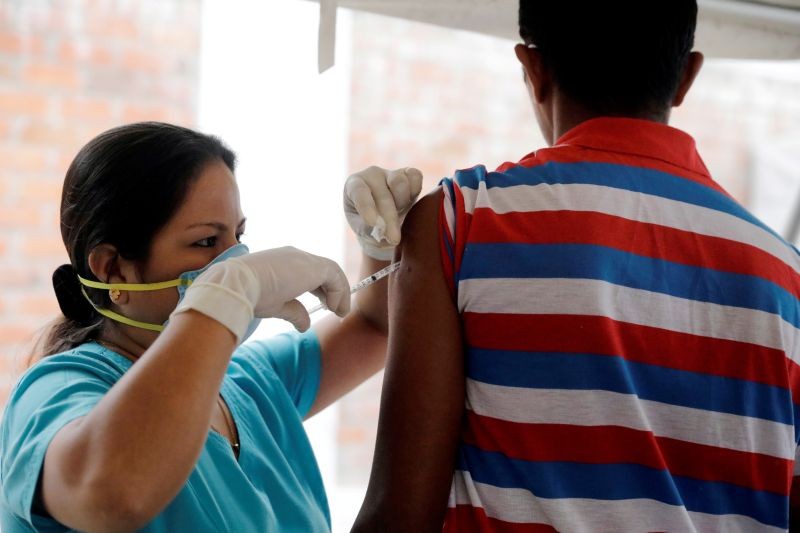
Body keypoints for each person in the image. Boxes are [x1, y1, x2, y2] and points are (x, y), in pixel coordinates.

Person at [353, 1, 800, 531]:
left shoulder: (462, 222)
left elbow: (399, 515)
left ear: (532, 70)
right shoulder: (786, 280)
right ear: (686, 76)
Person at [0, 122, 422, 532]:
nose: (237, 260)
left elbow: (373, 327)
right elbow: (111, 495)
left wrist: (380, 242)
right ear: (113, 270)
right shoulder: (56, 390)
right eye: (206, 242)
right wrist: (226, 296)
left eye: (238, 236)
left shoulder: (249, 383)